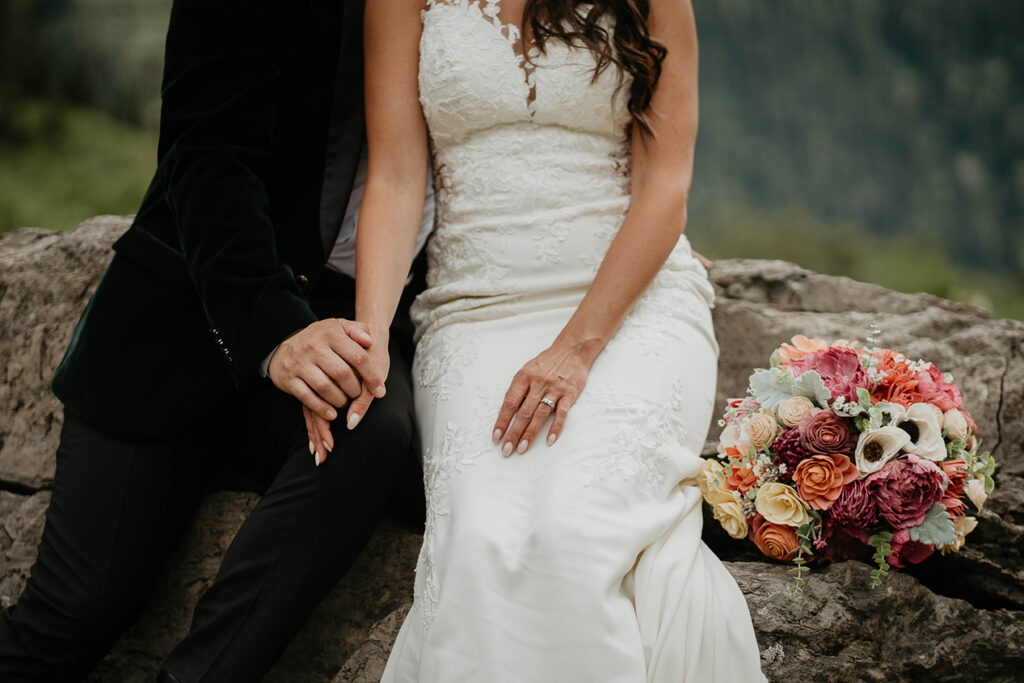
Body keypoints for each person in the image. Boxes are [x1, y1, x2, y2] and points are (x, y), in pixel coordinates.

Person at [329, 0, 767, 679]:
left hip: (631, 307)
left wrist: (575, 348)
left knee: (574, 528)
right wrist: (372, 332)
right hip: (473, 309)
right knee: (478, 539)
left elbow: (666, 187)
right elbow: (395, 174)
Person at [0, 1, 434, 681]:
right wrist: (277, 331)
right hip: (191, 317)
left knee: (372, 423)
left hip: (367, 313)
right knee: (71, 614)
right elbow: (204, 157)